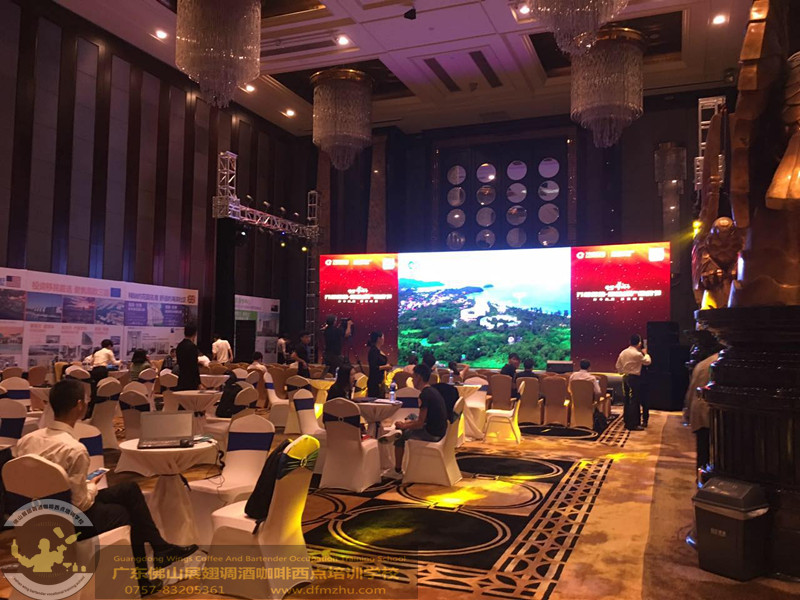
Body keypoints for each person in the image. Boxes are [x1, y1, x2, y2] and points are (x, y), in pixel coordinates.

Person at [16, 379, 197, 595]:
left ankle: (160, 548)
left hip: (35, 515)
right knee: (124, 512)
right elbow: (80, 503)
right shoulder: (74, 449)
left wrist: (84, 486)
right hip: (70, 522)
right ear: (79, 405)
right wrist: (91, 486)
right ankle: (143, 579)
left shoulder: (26, 441)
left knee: (129, 490)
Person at [382, 364, 448, 477]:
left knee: (401, 436)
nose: (412, 380)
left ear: (419, 377)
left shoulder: (424, 395)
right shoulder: (433, 391)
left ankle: (397, 470)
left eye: (413, 377)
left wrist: (404, 426)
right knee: (411, 417)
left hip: (432, 434)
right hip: (441, 430)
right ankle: (398, 431)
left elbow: (420, 423)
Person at [687, 351, 719, 469]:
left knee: (703, 449)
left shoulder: (702, 365)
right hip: (712, 412)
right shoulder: (720, 363)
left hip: (700, 411)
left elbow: (692, 390)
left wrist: (688, 411)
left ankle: (701, 473)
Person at [616, 334, 652, 430]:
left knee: (627, 400)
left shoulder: (623, 352)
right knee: (634, 401)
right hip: (634, 379)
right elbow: (647, 362)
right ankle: (633, 424)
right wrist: (646, 353)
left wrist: (623, 372)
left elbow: (618, 366)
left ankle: (627, 420)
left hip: (625, 377)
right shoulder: (637, 354)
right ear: (639, 343)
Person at [366, 331, 392, 397]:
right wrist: (385, 367)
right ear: (378, 339)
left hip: (380, 380)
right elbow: (373, 367)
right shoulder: (373, 351)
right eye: (383, 337)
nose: (384, 339)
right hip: (375, 381)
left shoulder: (378, 350)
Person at [176, 325, 200, 391]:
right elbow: (194, 366)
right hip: (191, 380)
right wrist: (198, 382)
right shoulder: (192, 347)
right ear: (194, 334)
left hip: (181, 378)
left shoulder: (179, 346)